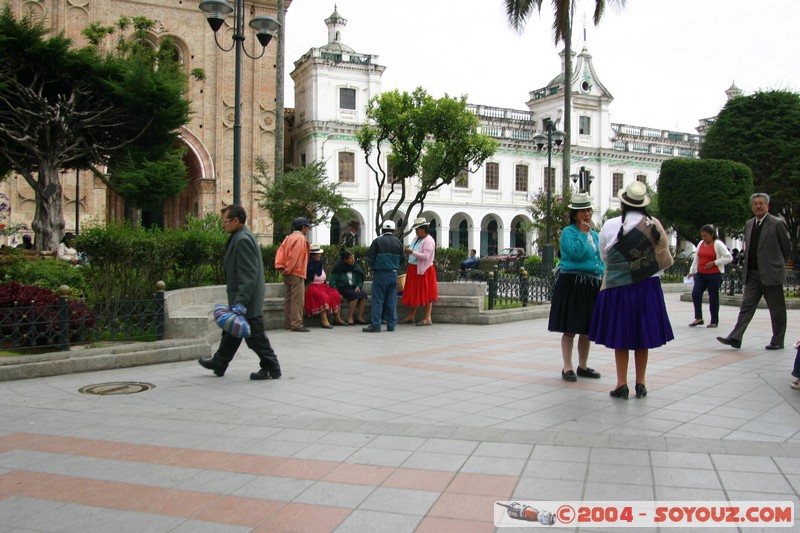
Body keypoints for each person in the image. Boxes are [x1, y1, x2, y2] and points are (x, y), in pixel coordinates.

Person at [589, 182, 674, 400]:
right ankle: (641, 382)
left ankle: (621, 383)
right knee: (642, 336)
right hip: (648, 287)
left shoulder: (609, 225)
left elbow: (605, 257)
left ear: (623, 202)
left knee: (622, 337)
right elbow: (663, 256)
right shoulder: (655, 225)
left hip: (619, 288)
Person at [198, 205, 282, 380]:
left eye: (225, 221)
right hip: (243, 298)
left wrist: (240, 302)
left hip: (247, 300)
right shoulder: (239, 236)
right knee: (231, 331)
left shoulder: (242, 239)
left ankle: (271, 367)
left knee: (255, 337)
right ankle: (219, 362)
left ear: (235, 221)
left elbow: (249, 275)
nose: (223, 225)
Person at [717, 193, 792, 350]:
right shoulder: (749, 224)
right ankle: (735, 337)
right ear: (752, 207)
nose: (758, 206)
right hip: (751, 274)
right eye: (755, 204)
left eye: (761, 203)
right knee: (746, 307)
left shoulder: (777, 223)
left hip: (771, 274)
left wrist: (777, 264)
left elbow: (787, 248)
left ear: (767, 206)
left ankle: (777, 340)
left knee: (776, 309)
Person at [547, 192, 604, 382]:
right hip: (573, 284)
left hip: (591, 285)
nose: (586, 214)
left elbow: (599, 259)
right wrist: (581, 233)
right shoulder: (568, 232)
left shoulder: (594, 235)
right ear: (574, 214)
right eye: (582, 211)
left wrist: (602, 276)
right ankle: (567, 366)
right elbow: (576, 254)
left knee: (587, 329)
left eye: (588, 210)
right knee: (570, 327)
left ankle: (583, 365)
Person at [687, 224, 732, 328]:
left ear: (711, 235)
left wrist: (715, 262)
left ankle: (714, 320)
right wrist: (692, 271)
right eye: (702, 236)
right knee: (696, 294)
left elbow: (728, 257)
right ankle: (698, 318)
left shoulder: (718, 244)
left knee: (713, 298)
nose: (704, 238)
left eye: (706, 236)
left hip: (714, 275)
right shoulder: (701, 243)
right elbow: (697, 258)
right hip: (701, 274)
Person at [363, 220, 404, 332]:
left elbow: (369, 259)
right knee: (392, 300)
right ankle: (391, 325)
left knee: (378, 300)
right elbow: (402, 260)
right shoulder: (398, 242)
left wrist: (376, 265)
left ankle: (376, 324)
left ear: (383, 230)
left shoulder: (377, 241)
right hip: (393, 274)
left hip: (380, 274)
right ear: (394, 230)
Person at [275, 216, 311, 332]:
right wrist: (289, 268)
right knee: (297, 300)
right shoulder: (300, 239)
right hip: (296, 272)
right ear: (303, 227)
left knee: (288, 299)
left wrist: (283, 269)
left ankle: (288, 323)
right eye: (307, 227)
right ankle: (296, 324)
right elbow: (294, 256)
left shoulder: (289, 238)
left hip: (287, 272)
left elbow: (280, 252)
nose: (308, 230)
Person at [401, 217, 438, 326]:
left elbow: (426, 257)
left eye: (417, 229)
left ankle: (427, 317)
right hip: (414, 268)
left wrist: (411, 252)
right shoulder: (417, 238)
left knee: (427, 292)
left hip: (424, 270)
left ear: (423, 229)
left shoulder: (429, 241)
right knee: (413, 292)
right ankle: (411, 316)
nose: (416, 232)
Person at [304, 244, 347, 329]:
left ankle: (337, 318)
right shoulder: (309, 265)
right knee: (323, 297)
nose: (319, 255)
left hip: (322, 286)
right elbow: (307, 280)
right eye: (317, 254)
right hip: (312, 287)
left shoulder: (319, 263)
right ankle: (324, 321)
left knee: (335, 294)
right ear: (313, 255)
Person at [329, 249, 368, 325]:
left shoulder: (356, 266)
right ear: (345, 260)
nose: (353, 260)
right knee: (354, 296)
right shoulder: (339, 267)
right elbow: (332, 282)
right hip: (343, 287)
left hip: (353, 287)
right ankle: (350, 318)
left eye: (353, 258)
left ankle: (359, 317)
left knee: (364, 295)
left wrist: (358, 286)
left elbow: (360, 280)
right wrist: (336, 292)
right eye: (350, 258)